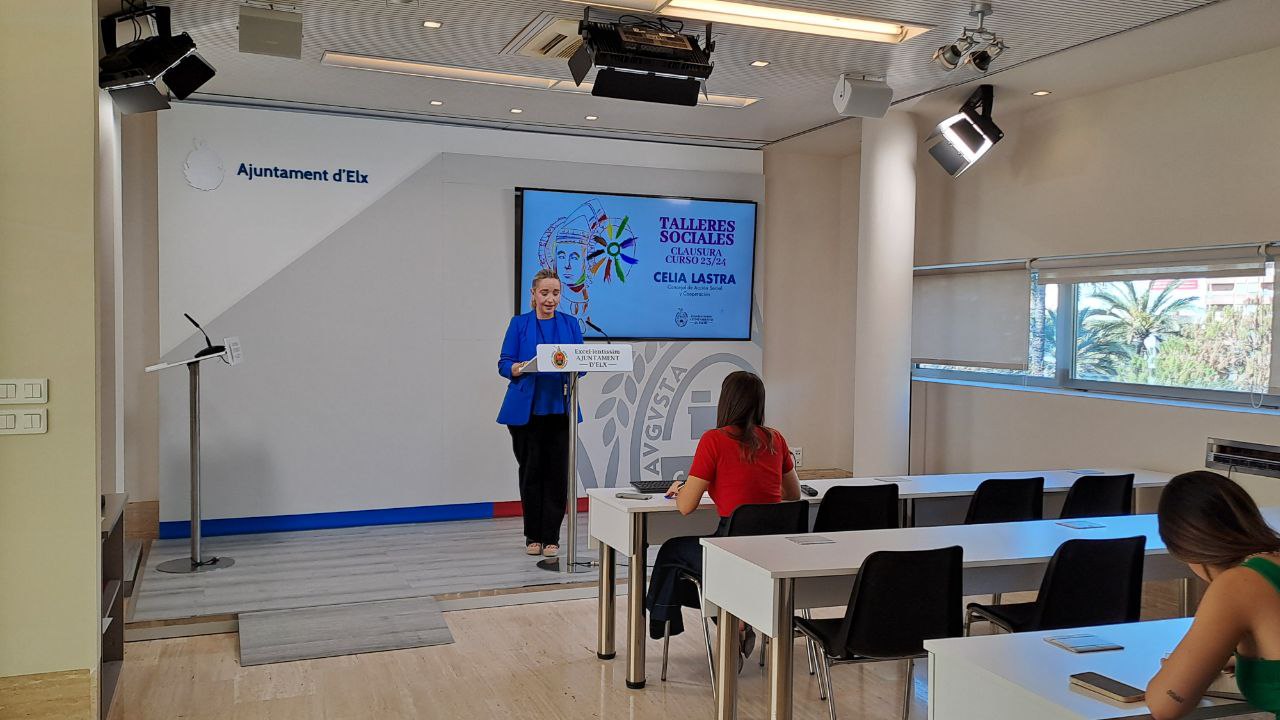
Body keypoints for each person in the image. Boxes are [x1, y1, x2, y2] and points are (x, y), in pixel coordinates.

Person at [644, 370, 801, 662]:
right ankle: (736, 620)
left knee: (671, 552)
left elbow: (686, 507)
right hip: (772, 550)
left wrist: (683, 489)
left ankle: (665, 623)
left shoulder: (714, 440)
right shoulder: (776, 439)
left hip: (731, 548)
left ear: (726, 402)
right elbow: (794, 494)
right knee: (695, 563)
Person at [1146, 470, 1280, 718]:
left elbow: (1166, 705)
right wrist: (1243, 661)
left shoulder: (1238, 584)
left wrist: (1178, 669)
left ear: (1183, 549)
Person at [496, 268, 584, 558]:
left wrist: (575, 364)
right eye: (545, 293)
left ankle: (551, 538)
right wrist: (518, 368)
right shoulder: (519, 324)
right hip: (527, 412)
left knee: (557, 475)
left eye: (555, 293)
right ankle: (533, 535)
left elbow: (582, 364)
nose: (550, 299)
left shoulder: (570, 324)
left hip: (560, 408)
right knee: (531, 473)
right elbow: (504, 363)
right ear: (533, 294)